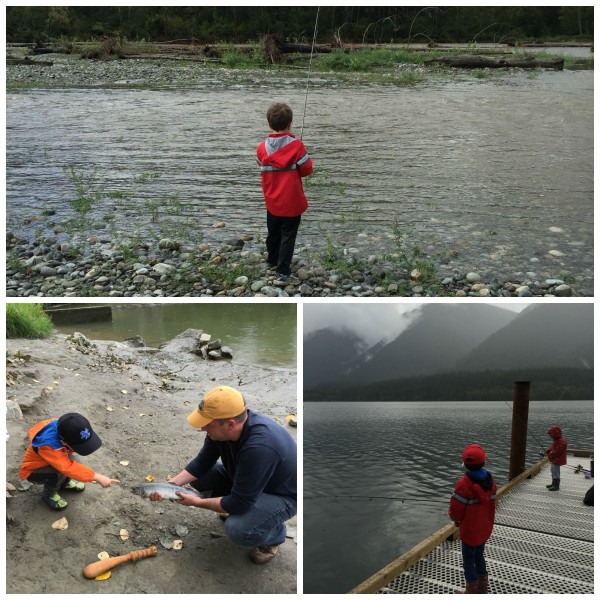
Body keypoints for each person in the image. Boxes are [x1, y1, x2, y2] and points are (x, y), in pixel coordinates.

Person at [149, 385, 297, 565]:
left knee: (238, 529)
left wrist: (197, 502)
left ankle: (275, 535)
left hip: (283, 495)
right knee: (203, 476)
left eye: (207, 424)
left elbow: (239, 503)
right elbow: (202, 462)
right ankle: (246, 511)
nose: (202, 428)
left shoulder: (260, 447)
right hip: (248, 482)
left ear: (230, 424)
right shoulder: (218, 432)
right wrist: (169, 486)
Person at [256, 102, 313, 282]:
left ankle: (272, 261)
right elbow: (307, 170)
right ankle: (283, 270)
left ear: (269, 124)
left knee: (273, 233)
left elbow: (261, 164)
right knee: (288, 236)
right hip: (292, 202)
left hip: (272, 200)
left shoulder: (261, 148)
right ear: (290, 124)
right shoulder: (296, 146)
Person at [19, 412, 120, 510]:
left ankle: (64, 483)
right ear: (63, 441)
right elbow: (67, 467)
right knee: (59, 472)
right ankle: (49, 493)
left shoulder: (64, 427)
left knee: (73, 461)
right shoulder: (48, 446)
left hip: (52, 461)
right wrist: (96, 477)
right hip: (33, 471)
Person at [449, 443, 497, 594]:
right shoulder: (491, 481)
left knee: (468, 562)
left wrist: (456, 520)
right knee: (479, 556)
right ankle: (483, 588)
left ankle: (471, 591)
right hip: (484, 528)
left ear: (465, 465)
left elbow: (456, 511)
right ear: (484, 462)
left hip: (470, 532)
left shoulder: (463, 485)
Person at [544, 425, 567, 491]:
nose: (550, 436)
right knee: (553, 471)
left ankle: (556, 486)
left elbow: (556, 452)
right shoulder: (556, 440)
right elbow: (552, 448)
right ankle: (553, 483)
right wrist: (548, 450)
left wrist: (549, 455)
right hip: (554, 460)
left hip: (557, 460)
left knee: (556, 472)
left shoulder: (561, 441)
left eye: (551, 434)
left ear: (555, 434)